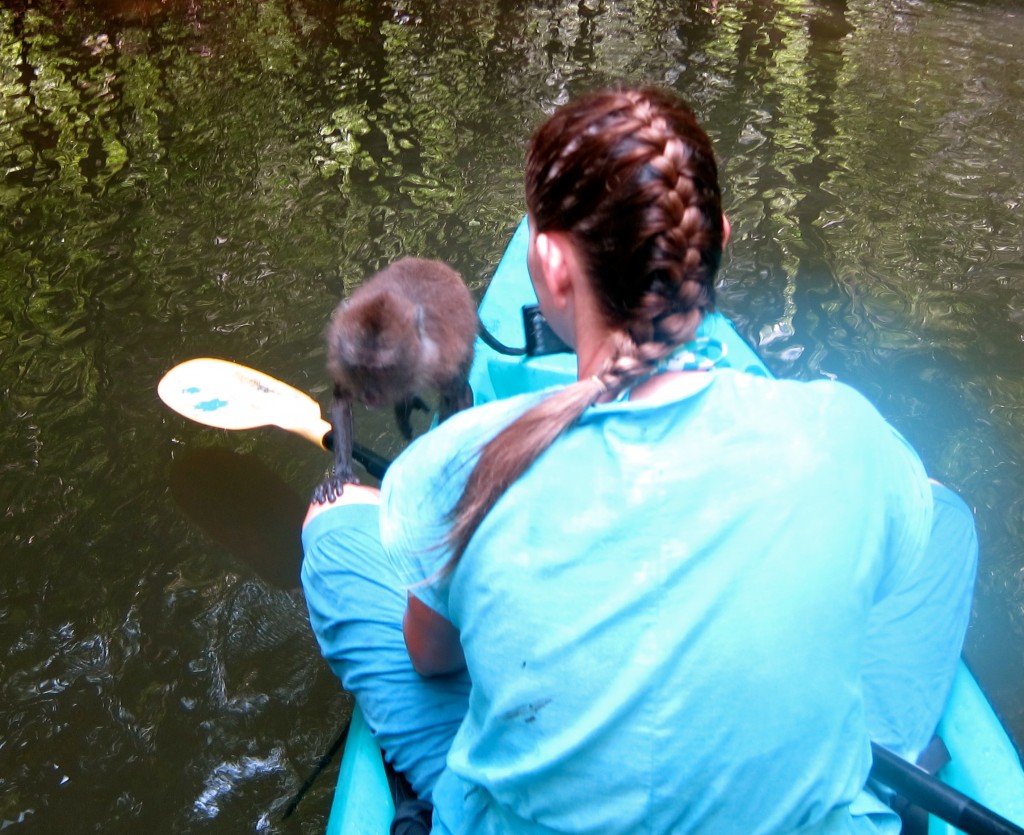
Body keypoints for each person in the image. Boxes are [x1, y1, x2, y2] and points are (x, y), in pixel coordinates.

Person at [301, 86, 977, 834]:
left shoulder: (462, 461)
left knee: (333, 529)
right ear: (717, 236)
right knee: (941, 515)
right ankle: (875, 770)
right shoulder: (842, 432)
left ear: (550, 265)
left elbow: (430, 661)